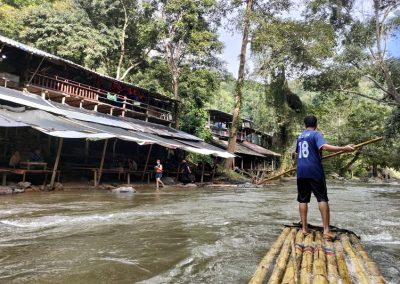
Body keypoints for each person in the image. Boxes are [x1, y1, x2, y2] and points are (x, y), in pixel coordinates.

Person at [293, 115, 355, 241]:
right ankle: (326, 231)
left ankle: (304, 229)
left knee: (303, 200)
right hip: (314, 171)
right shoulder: (316, 134)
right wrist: (344, 148)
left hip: (301, 172)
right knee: (322, 198)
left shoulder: (300, 137)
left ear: (305, 125)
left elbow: (295, 155)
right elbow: (324, 147)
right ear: (316, 125)